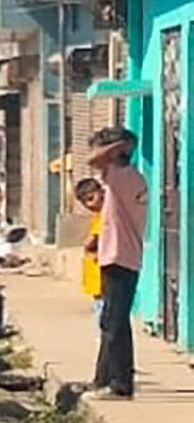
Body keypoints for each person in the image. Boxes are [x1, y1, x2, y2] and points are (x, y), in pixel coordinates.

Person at [87, 126, 146, 398]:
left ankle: (120, 384)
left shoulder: (121, 177)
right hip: (117, 256)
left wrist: (120, 146)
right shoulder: (127, 177)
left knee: (115, 324)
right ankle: (102, 379)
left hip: (121, 257)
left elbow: (94, 160)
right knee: (111, 321)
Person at [74, 175, 105, 305]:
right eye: (84, 202)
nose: (89, 205)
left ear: (102, 192)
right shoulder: (97, 217)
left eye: (91, 199)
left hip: (104, 279)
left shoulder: (106, 216)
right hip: (96, 281)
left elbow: (93, 239)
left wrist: (89, 245)